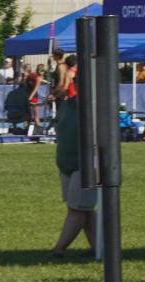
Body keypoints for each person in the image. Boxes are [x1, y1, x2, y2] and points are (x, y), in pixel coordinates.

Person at [51, 58, 96, 258]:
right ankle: (99, 247)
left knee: (76, 209)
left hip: (86, 165)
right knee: (84, 210)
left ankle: (59, 249)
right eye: (77, 82)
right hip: (65, 164)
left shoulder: (94, 109)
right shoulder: (66, 105)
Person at [24, 63, 42, 130]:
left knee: (36, 114)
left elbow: (36, 87)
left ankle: (39, 129)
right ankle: (27, 128)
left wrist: (30, 97)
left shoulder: (33, 75)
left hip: (33, 97)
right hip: (27, 96)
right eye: (25, 68)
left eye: (28, 68)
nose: (27, 70)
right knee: (27, 114)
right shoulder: (25, 77)